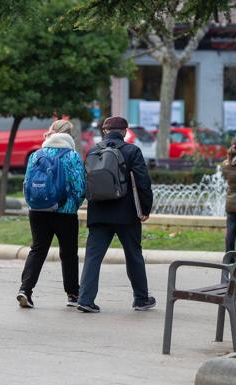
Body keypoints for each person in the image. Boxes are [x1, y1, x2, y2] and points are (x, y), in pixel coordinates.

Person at [77, 116, 154, 313]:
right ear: (125, 131)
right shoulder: (132, 151)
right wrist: (145, 210)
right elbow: (143, 182)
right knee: (134, 255)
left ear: (104, 131)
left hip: (99, 212)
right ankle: (141, 299)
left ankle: (85, 299)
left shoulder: (93, 150)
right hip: (126, 214)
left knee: (93, 257)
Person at [17, 120, 86, 308]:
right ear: (69, 135)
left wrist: (33, 204)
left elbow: (26, 184)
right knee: (69, 253)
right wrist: (73, 205)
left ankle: (25, 290)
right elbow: (80, 187)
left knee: (37, 250)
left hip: (38, 210)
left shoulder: (37, 154)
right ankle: (73, 294)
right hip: (65, 211)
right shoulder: (72, 156)